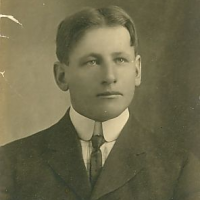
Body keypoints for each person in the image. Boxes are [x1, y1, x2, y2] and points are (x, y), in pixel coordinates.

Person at [0, 5, 200, 200]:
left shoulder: (180, 167)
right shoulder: (10, 162)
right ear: (61, 76)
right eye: (92, 62)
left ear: (137, 70)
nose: (109, 76)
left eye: (120, 60)